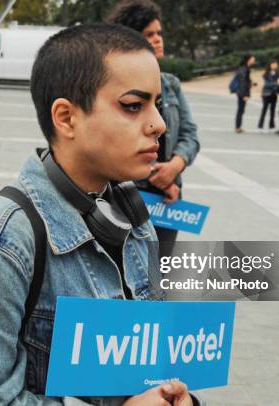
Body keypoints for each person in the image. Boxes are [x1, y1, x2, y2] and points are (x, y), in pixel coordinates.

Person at [0, 23, 198, 405]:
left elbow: (145, 362)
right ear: (66, 117)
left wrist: (177, 397)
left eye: (156, 103)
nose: (158, 123)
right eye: (132, 106)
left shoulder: (133, 218)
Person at [106, 0, 200, 258]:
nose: (158, 40)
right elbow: (114, 143)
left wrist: (175, 166)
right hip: (127, 196)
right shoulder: (115, 87)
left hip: (169, 197)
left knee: (160, 273)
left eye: (159, 33)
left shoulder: (171, 84)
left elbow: (190, 134)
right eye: (149, 35)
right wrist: (154, 176)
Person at [234, 54, 255, 133]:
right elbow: (243, 82)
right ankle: (238, 127)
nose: (254, 60)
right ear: (249, 59)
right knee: (240, 109)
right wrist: (245, 95)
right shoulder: (245, 69)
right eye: (253, 59)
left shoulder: (244, 68)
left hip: (241, 91)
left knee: (241, 109)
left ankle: (238, 126)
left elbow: (246, 81)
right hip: (242, 92)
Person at [258, 60, 279, 130]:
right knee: (264, 109)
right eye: (273, 64)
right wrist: (276, 83)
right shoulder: (266, 74)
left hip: (274, 94)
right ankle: (260, 125)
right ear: (270, 65)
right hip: (266, 94)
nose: (275, 66)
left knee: (273, 110)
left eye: (276, 64)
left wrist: (275, 85)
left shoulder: (278, 74)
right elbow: (267, 84)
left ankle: (271, 125)